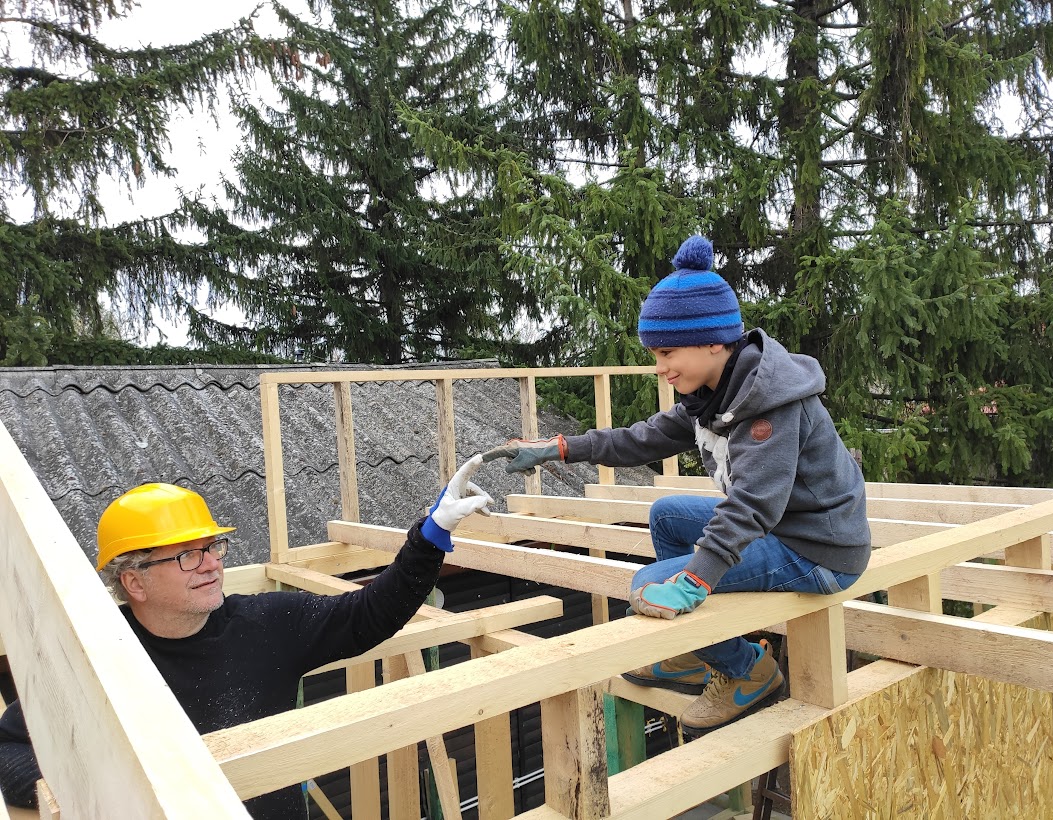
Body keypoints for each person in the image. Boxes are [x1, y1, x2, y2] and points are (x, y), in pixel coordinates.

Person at [484, 235, 871, 736]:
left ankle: (749, 671)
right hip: (783, 528)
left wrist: (693, 582)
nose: (660, 368)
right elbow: (641, 439)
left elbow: (752, 506)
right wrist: (558, 448)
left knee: (645, 585)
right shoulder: (713, 394)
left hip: (818, 551)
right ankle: (698, 653)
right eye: (655, 354)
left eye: (668, 353)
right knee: (666, 515)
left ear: (714, 342)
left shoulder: (768, 407)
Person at [0, 456, 492, 818]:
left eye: (212, 547)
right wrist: (94, 792)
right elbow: (11, 751)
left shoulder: (265, 624)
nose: (211, 565)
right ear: (134, 581)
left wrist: (432, 534)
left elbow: (369, 613)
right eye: (187, 555)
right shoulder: (101, 662)